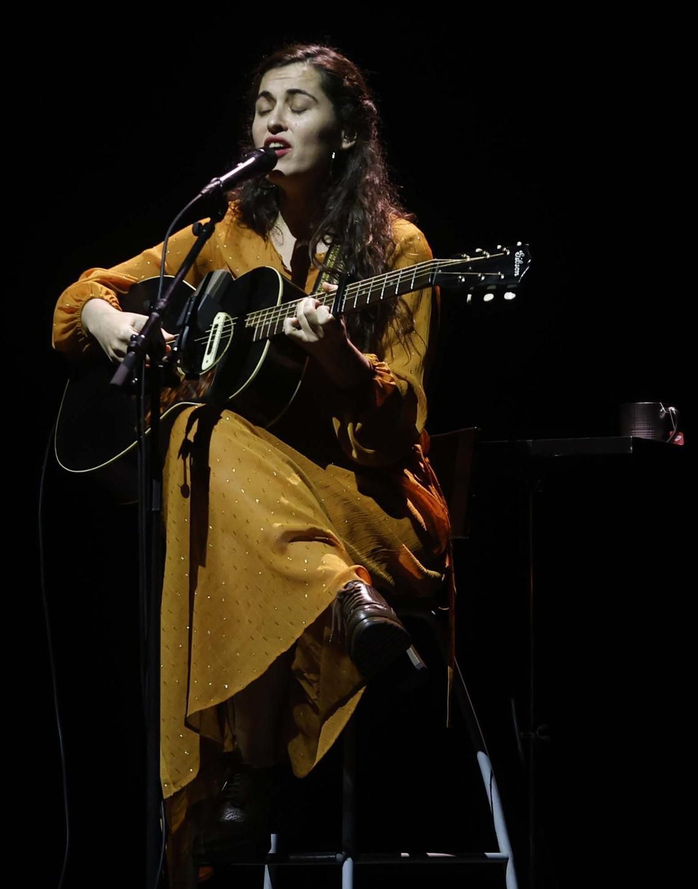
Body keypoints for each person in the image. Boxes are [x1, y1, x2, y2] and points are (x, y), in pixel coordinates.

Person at [50, 43, 451, 884]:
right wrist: (109, 324)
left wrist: (341, 361)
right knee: (210, 431)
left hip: (362, 500)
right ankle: (343, 608)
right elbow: (76, 297)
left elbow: (396, 430)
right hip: (250, 498)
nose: (274, 119)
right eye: (264, 104)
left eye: (298, 104)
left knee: (206, 447)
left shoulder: (399, 248)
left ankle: (245, 769)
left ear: (345, 132)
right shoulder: (218, 237)